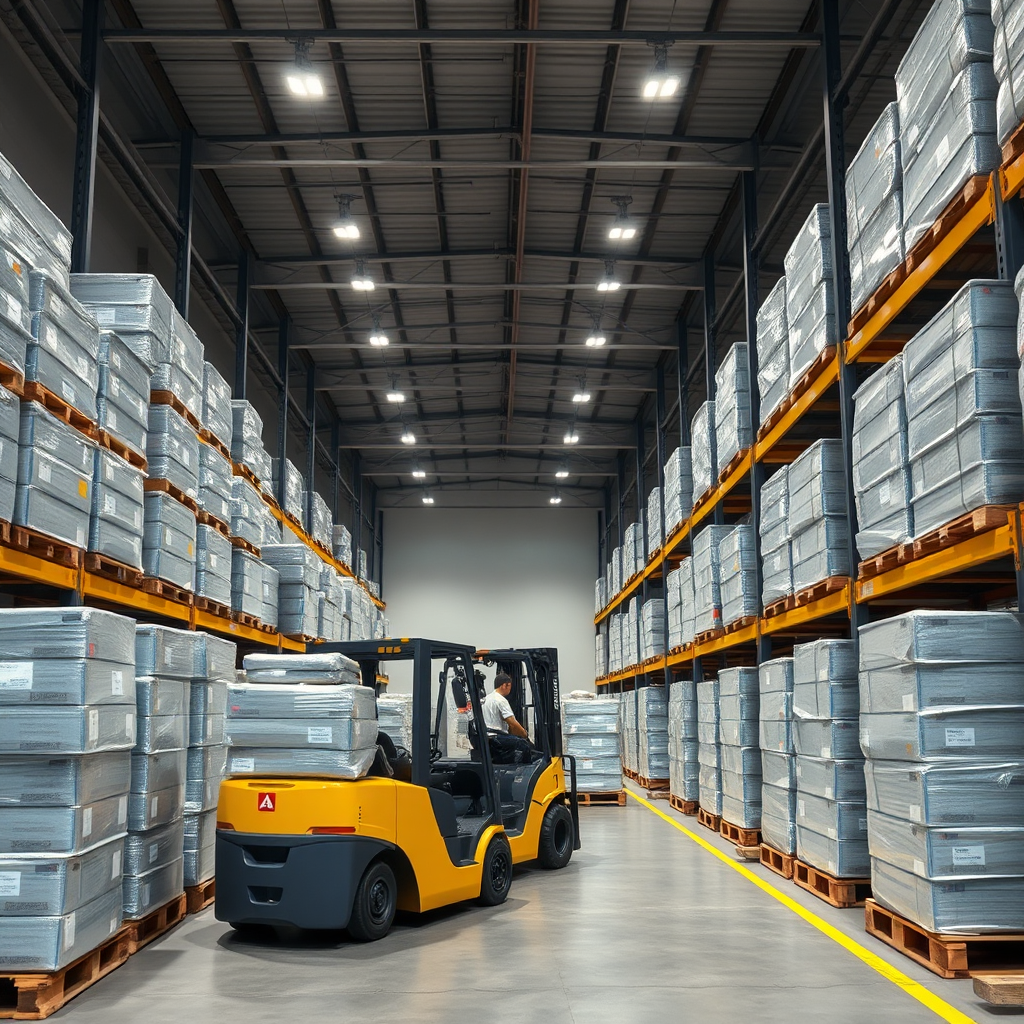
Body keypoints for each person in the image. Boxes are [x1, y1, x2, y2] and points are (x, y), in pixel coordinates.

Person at [483, 672, 530, 739]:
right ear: (504, 685)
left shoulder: (487, 698)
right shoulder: (501, 700)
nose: (510, 690)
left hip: (487, 737)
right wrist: (525, 734)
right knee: (524, 745)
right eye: (510, 686)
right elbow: (512, 723)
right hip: (498, 738)